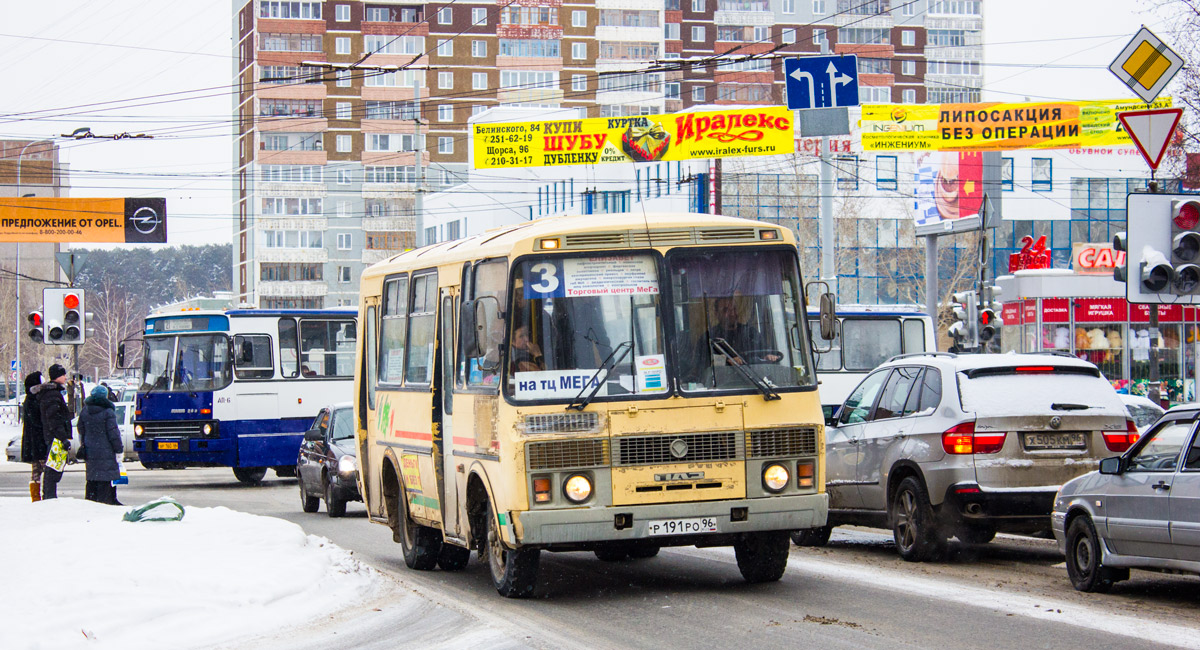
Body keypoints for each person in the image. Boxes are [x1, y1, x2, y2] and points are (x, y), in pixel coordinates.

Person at [78, 384, 124, 505]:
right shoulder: (108, 412)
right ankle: (107, 501)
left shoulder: (85, 411)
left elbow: (81, 429)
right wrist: (118, 450)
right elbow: (113, 433)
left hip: (90, 450)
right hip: (106, 450)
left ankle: (91, 500)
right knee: (106, 478)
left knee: (92, 477)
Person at [35, 363, 72, 499]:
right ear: (57, 376)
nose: (65, 377)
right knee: (53, 470)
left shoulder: (52, 394)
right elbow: (54, 419)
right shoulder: (52, 395)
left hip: (53, 436)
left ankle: (49, 496)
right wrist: (63, 437)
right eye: (63, 374)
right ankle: (49, 497)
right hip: (55, 438)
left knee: (54, 469)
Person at [708, 297, 779, 363]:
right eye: (726, 310)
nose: (732, 313)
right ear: (716, 314)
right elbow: (704, 364)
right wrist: (727, 362)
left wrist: (768, 356)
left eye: (734, 309)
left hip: (754, 375)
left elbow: (766, 352)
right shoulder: (710, 337)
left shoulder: (751, 333)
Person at [20, 371, 47, 502]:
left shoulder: (29, 400)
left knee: (36, 471)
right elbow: (38, 421)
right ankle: (38, 496)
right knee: (42, 469)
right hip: (38, 441)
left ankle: (36, 496)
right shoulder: (34, 401)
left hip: (34, 442)